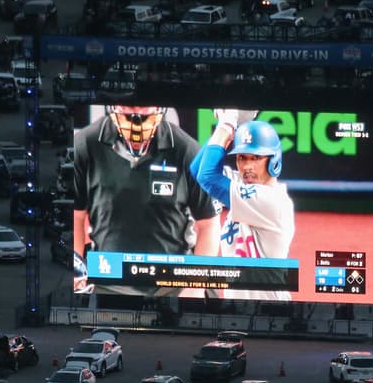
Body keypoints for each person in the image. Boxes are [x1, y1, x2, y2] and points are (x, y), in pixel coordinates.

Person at [71, 106, 220, 295]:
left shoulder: (186, 149)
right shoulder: (85, 143)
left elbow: (209, 225)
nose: (137, 122)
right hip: (108, 279)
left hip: (172, 280)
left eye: (145, 114)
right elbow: (76, 217)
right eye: (129, 113)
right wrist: (76, 269)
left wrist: (195, 285)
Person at [190, 113, 298, 300]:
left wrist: (226, 125)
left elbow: (207, 177)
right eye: (241, 158)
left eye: (255, 158)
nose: (247, 166)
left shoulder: (272, 201)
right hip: (241, 311)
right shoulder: (244, 185)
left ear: (273, 160)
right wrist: (228, 128)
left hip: (271, 313)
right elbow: (196, 171)